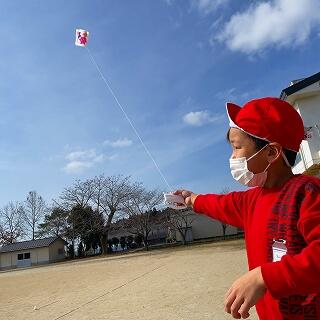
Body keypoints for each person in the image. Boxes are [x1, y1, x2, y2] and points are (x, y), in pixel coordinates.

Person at [175, 97, 320, 320]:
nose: (232, 157)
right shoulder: (250, 201)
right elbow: (219, 204)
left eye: (237, 147)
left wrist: (263, 277)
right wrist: (191, 199)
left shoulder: (307, 192)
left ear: (272, 153)